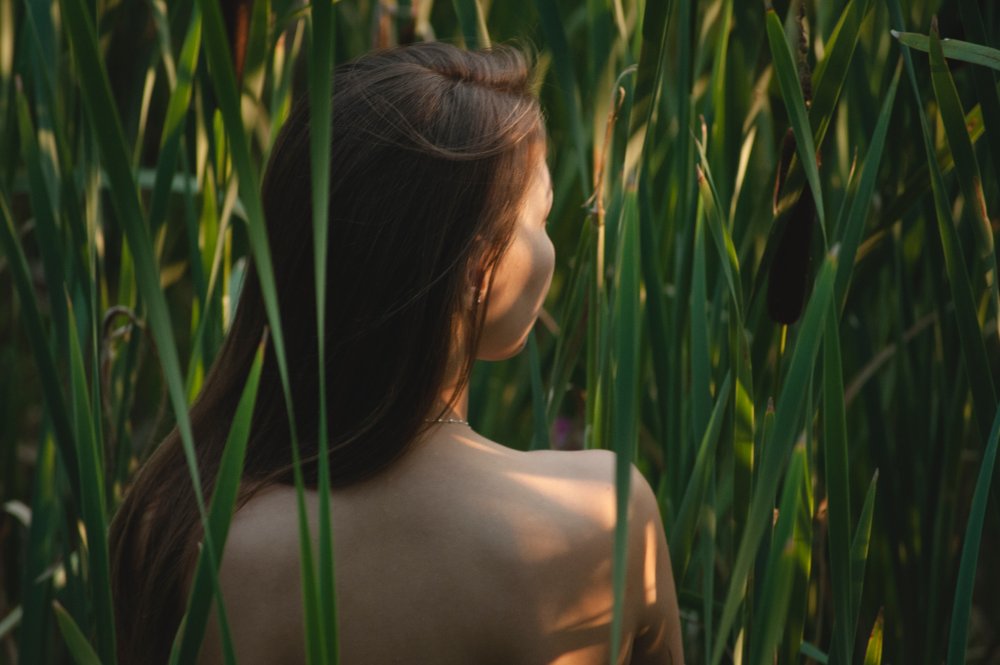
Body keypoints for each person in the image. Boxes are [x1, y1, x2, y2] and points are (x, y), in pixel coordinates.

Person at [110, 42, 683, 665]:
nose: (551, 250)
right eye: (541, 220)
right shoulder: (602, 517)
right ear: (476, 267)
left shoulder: (175, 525)